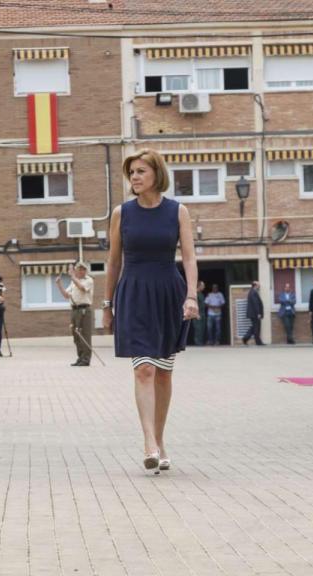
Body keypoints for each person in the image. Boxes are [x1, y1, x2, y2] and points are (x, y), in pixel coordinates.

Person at [103, 149, 198, 473]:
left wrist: (191, 296)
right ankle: (148, 443)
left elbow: (188, 258)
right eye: (132, 173)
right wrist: (107, 304)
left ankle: (160, 440)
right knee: (143, 369)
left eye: (141, 171)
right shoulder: (122, 213)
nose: (135, 177)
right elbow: (114, 260)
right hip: (133, 292)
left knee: (163, 372)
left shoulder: (177, 211)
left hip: (168, 293)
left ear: (156, 174)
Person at [56, 261, 94, 366]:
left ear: (86, 270)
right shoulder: (73, 282)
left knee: (85, 335)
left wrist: (72, 276)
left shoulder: (89, 280)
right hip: (74, 310)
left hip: (84, 310)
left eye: (83, 269)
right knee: (76, 336)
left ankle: (86, 359)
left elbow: (82, 288)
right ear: (76, 270)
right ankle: (80, 357)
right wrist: (59, 285)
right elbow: (66, 295)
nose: (81, 271)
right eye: (79, 269)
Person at [241, 281, 264, 345]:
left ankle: (245, 338)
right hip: (254, 314)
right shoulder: (253, 292)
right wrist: (258, 313)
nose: (259, 286)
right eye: (258, 285)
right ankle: (258, 342)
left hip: (253, 313)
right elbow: (255, 304)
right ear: (255, 285)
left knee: (254, 327)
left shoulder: (253, 292)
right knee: (256, 328)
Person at [193, 280, 206, 345]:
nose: (204, 287)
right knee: (198, 329)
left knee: (202, 329)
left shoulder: (201, 294)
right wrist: (196, 314)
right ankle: (198, 342)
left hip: (202, 313)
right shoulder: (195, 293)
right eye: (203, 285)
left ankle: (201, 342)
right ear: (199, 286)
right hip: (197, 313)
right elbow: (195, 303)